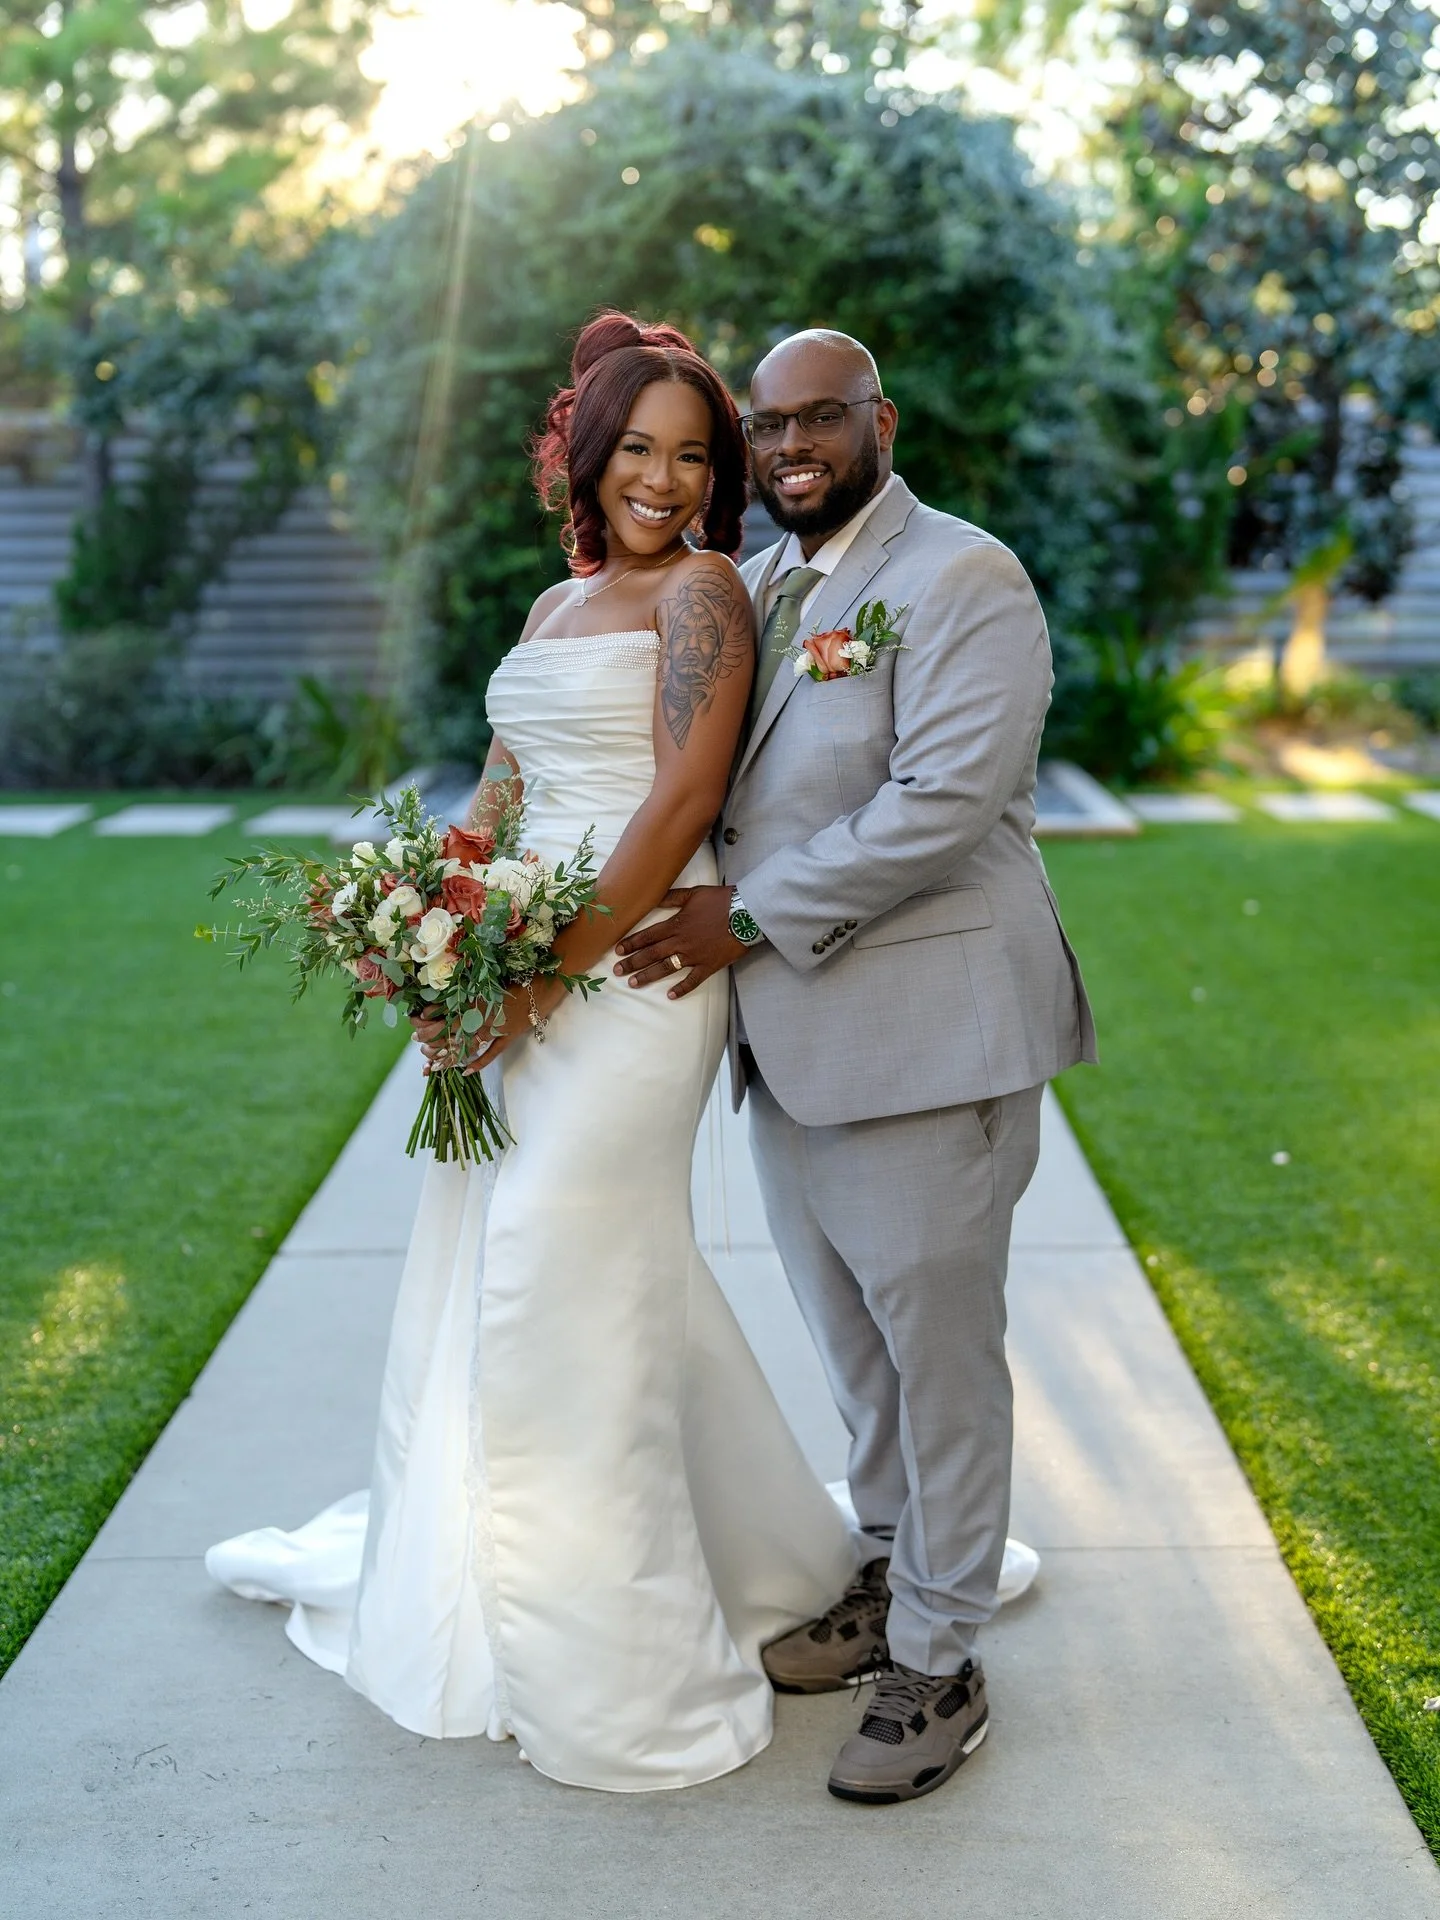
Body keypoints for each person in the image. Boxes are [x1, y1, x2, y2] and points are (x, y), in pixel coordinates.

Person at [206, 312, 860, 1792]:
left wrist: (542, 982)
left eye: (695, 457)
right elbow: (501, 795)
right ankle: (547, 1590)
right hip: (513, 968)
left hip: (625, 976)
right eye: (641, 448)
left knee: (556, 1268)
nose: (667, 480)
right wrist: (419, 921)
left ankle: (614, 1667)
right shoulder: (556, 606)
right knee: (556, 1273)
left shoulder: (703, 598)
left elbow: (681, 800)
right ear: (588, 451)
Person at [615, 329, 1096, 1804]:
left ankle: (943, 1661)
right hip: (798, 1044)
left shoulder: (962, 578)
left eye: (819, 417)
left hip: (928, 1034)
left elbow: (944, 804)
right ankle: (893, 1574)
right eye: (766, 424)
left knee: (940, 1363)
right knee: (861, 1357)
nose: (787, 445)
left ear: (880, 420)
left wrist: (742, 918)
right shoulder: (764, 586)